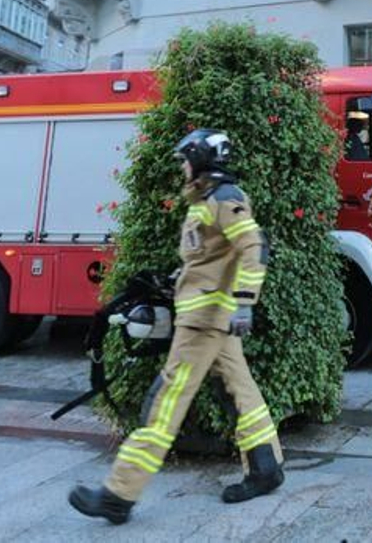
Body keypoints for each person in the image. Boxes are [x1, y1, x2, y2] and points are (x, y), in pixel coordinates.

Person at [69, 128, 284, 525]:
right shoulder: (207, 201)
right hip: (210, 319)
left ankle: (119, 494)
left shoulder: (224, 198)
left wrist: (245, 303)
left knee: (164, 404)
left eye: (186, 159)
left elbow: (254, 246)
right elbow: (209, 259)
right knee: (243, 393)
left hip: (204, 323)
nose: (182, 167)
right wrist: (178, 280)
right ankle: (265, 467)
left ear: (202, 160)